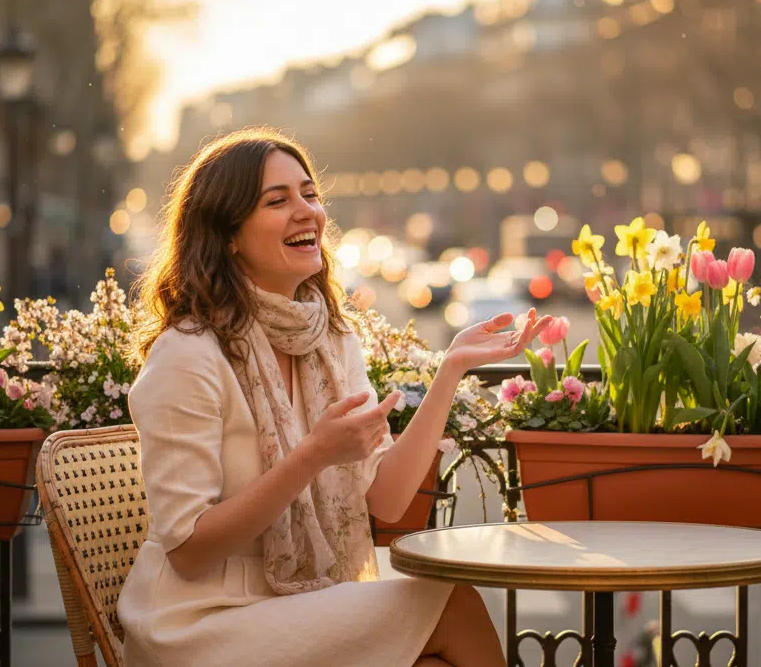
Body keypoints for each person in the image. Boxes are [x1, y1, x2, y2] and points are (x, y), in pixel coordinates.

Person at [119, 129, 548, 666]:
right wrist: (314, 456)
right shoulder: (188, 355)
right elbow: (188, 552)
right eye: (277, 201)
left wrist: (451, 369)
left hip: (297, 604)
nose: (307, 212)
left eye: (309, 194)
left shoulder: (332, 342)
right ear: (227, 235)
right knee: (453, 605)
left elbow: (387, 501)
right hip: (202, 620)